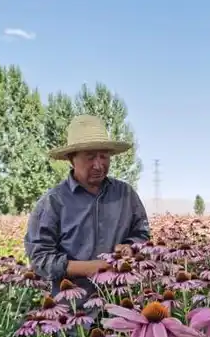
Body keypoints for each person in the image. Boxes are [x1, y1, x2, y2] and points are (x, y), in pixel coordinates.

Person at [24, 114, 150, 301]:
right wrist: (88, 268)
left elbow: (142, 234)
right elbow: (40, 258)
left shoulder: (126, 195)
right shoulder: (53, 202)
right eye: (90, 157)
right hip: (73, 311)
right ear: (71, 159)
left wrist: (130, 248)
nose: (99, 165)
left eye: (104, 157)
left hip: (123, 300)